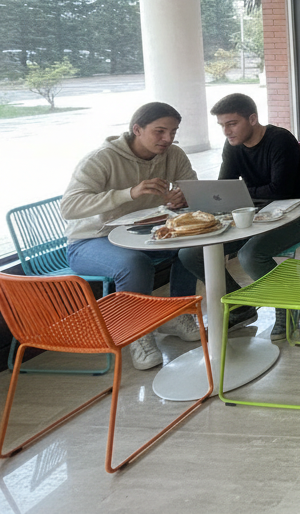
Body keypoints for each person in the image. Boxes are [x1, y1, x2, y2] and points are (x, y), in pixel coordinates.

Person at [61, 102, 206, 371]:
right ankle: (138, 333)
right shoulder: (102, 159)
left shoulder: (173, 155)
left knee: (191, 247)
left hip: (141, 233)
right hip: (90, 240)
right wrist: (129, 193)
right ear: (137, 129)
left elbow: (193, 187)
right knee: (133, 263)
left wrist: (183, 197)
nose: (168, 139)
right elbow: (69, 207)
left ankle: (178, 314)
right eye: (160, 131)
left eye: (173, 132)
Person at [181, 93, 300, 340]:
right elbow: (225, 186)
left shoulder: (280, 140)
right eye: (222, 125)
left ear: (252, 119)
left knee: (250, 254)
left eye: (232, 124)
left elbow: (280, 190)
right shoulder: (233, 145)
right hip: (254, 216)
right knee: (190, 253)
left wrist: (240, 193)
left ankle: (286, 306)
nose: (226, 131)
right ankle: (240, 307)